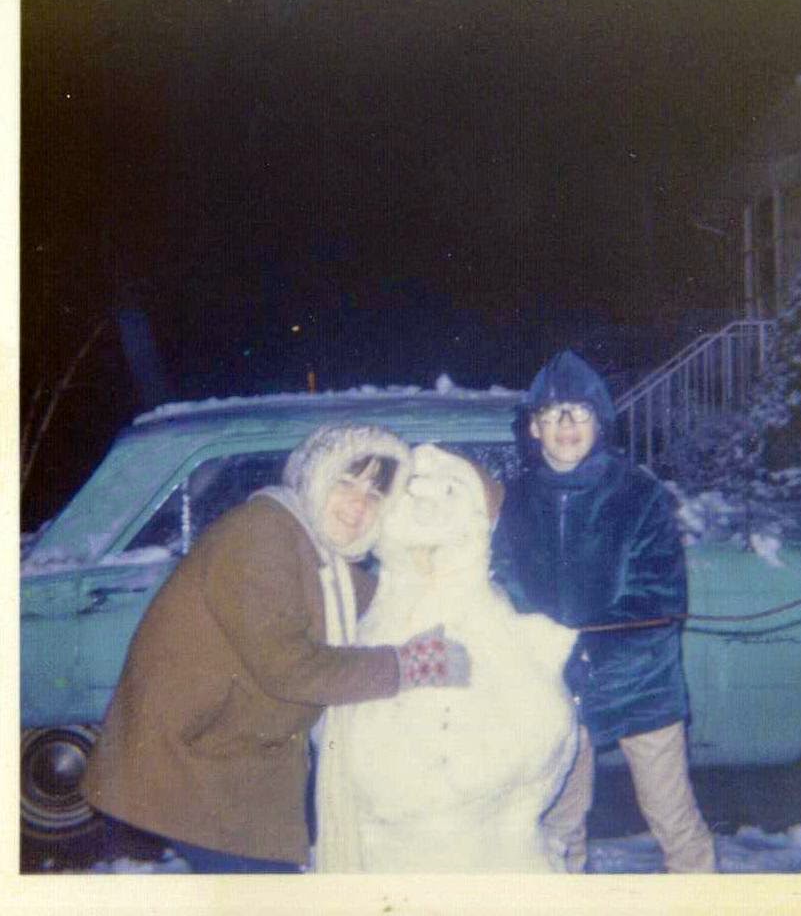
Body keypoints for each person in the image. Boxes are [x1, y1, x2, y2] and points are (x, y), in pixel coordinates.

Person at [82, 424, 470, 873]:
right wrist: (407, 666)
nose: (359, 504)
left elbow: (374, 602)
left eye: (375, 494)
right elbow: (290, 668)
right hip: (195, 765)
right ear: (317, 477)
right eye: (346, 482)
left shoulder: (315, 549)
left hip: (234, 759)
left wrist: (434, 582)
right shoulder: (261, 534)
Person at [491, 350, 716, 874]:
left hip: (642, 686)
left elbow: (660, 599)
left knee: (674, 820)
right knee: (559, 825)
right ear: (534, 428)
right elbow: (505, 585)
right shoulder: (518, 500)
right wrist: (536, 650)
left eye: (580, 412)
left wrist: (591, 649)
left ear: (600, 422)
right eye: (553, 414)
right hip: (556, 690)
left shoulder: (639, 494)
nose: (567, 426)